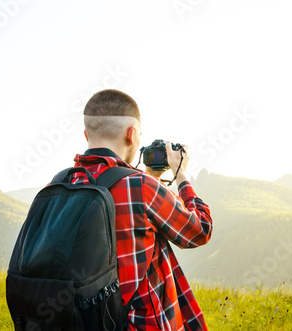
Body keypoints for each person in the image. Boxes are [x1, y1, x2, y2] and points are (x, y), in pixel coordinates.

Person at [72, 89, 213, 330]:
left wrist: (151, 178)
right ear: (132, 134)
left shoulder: (60, 184)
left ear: (86, 134)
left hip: (81, 321)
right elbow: (200, 231)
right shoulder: (141, 187)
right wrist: (181, 176)